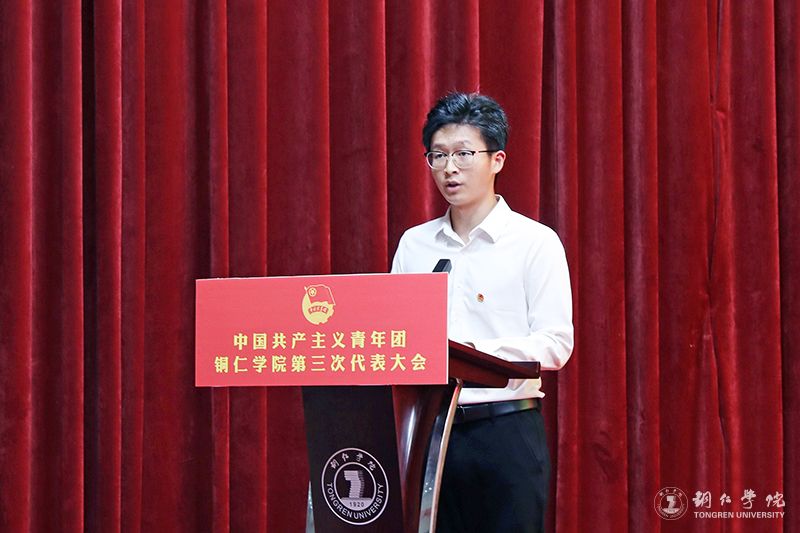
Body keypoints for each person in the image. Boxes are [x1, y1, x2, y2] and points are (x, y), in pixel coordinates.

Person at [391, 92, 574, 532]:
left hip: (505, 430)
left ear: (497, 160)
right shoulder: (414, 245)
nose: (449, 168)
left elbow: (555, 344)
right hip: (430, 434)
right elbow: (397, 336)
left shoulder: (535, 242)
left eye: (463, 154)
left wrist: (468, 355)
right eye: (438, 155)